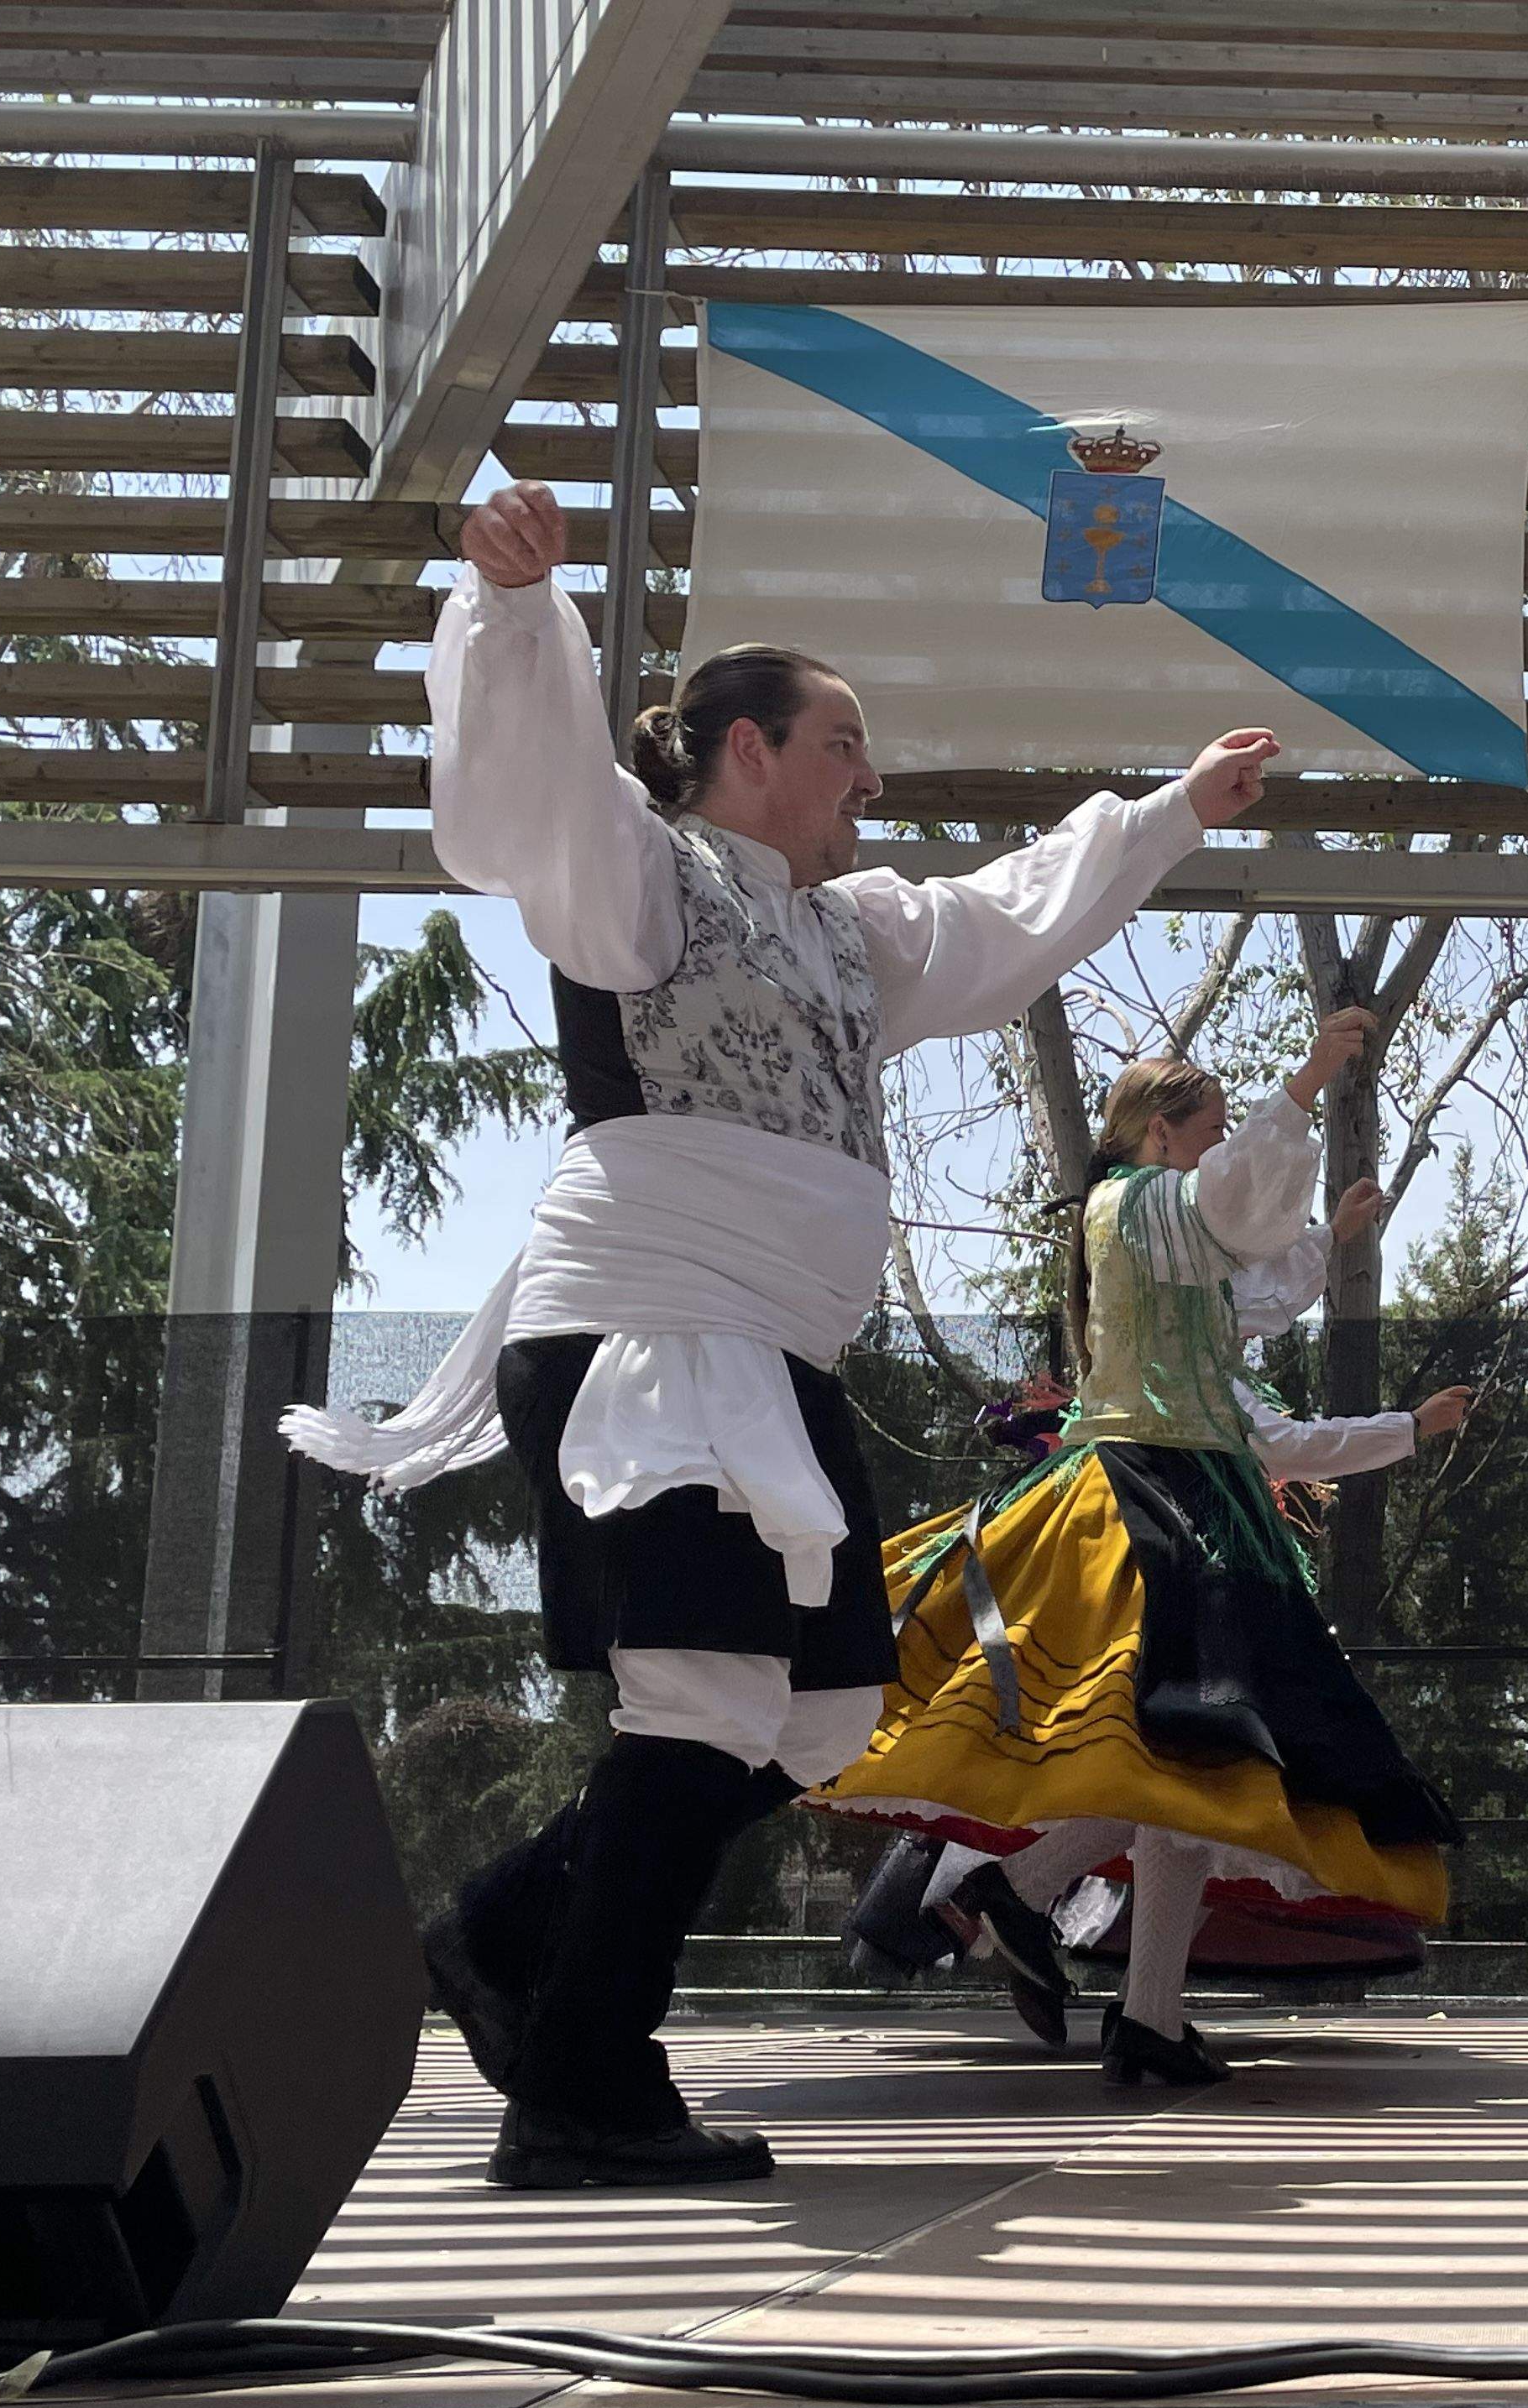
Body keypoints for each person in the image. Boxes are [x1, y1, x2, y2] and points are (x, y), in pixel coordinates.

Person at [281, 483, 1277, 2190]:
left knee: (813, 1711)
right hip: (650, 1340)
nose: (868, 777)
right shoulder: (638, 879)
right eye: (843, 744)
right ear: (745, 751)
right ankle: (584, 2089)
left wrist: (1177, 809)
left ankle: (505, 1933)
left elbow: (1016, 908)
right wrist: (516, 614)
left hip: (768, 1362)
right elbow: (524, 790)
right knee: (709, 1700)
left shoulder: (852, 932)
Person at [802, 1040, 1463, 2087]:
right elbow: (1231, 1218)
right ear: (1161, 1132)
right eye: (1207, 1129)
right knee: (1196, 1757)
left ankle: (1142, 2011)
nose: (1216, 1148)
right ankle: (1026, 1900)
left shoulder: (1157, 1224)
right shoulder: (1137, 1200)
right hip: (1151, 1499)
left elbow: (1237, 1294)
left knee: (1198, 1758)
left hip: (1189, 1493)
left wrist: (1327, 1244)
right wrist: (1297, 1093)